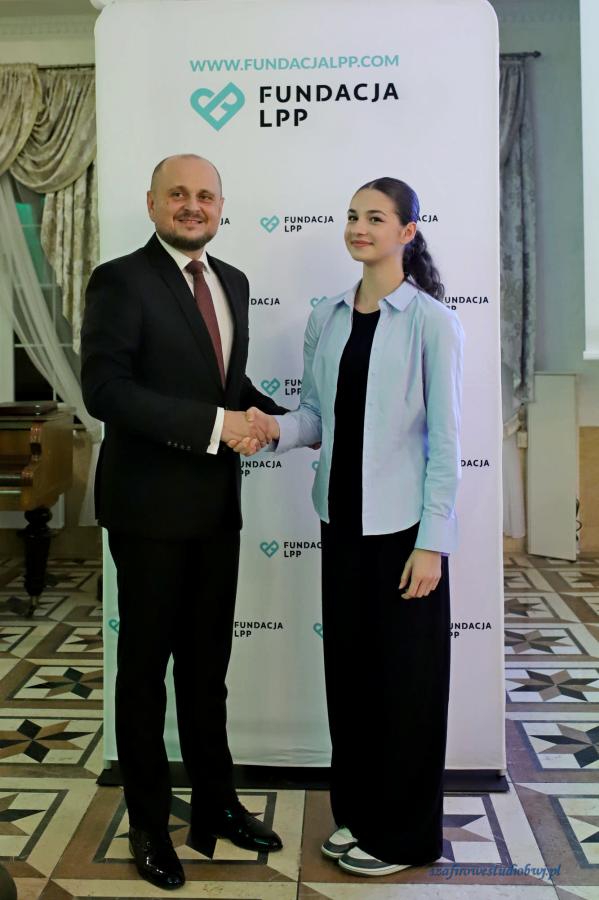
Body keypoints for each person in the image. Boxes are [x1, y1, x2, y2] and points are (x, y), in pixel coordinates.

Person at [230, 177, 464, 877]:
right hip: (340, 524)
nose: (359, 227)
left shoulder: (430, 321)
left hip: (403, 534)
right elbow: (315, 420)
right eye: (353, 216)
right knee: (354, 681)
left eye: (376, 218)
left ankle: (404, 837)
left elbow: (446, 442)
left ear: (407, 232)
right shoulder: (328, 316)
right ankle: (360, 815)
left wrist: (432, 543)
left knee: (406, 688)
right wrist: (272, 428)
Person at [81, 154, 286, 890]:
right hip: (147, 513)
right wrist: (215, 425)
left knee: (207, 673)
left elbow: (226, 385)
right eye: (178, 194)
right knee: (143, 675)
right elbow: (106, 390)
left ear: (221, 206)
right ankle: (146, 823)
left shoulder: (234, 281)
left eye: (205, 195)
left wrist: (278, 419)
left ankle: (216, 806)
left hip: (216, 510)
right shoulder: (119, 281)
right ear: (152, 203)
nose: (192, 205)